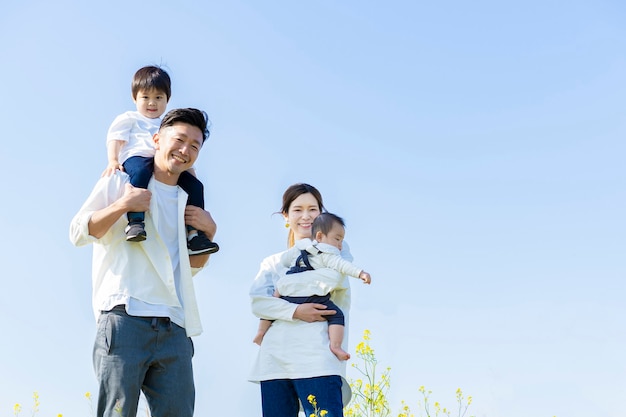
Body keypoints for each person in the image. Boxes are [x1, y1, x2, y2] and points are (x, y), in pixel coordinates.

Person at [70, 108, 217, 417]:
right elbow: (79, 232)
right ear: (156, 139)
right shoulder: (121, 181)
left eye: (195, 145)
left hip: (175, 326)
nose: (185, 150)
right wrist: (123, 205)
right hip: (125, 317)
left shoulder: (188, 201)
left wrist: (210, 231)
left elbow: (192, 266)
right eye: (179, 139)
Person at [249, 183, 357, 417]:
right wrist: (297, 311)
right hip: (274, 363)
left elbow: (332, 278)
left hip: (318, 359)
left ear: (322, 214)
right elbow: (258, 303)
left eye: (313, 209)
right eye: (298, 210)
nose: (306, 216)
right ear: (286, 216)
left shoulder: (336, 248)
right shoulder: (273, 262)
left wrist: (281, 293)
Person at [102, 65, 218, 255]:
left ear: (167, 100)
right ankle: (136, 222)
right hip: (137, 158)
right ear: (134, 98)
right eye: (145, 97)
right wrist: (113, 160)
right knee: (140, 173)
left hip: (163, 165)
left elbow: (180, 151)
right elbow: (115, 138)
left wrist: (192, 176)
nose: (152, 103)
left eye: (158, 97)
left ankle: (195, 235)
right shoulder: (130, 118)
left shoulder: (169, 123)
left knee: (197, 188)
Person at [253, 212, 371, 361]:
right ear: (320, 237)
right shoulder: (328, 254)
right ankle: (336, 346)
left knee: (274, 301)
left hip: (287, 289)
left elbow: (284, 260)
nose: (340, 245)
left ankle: (261, 332)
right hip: (310, 297)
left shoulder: (300, 248)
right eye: (337, 239)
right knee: (336, 315)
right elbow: (343, 266)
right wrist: (361, 273)